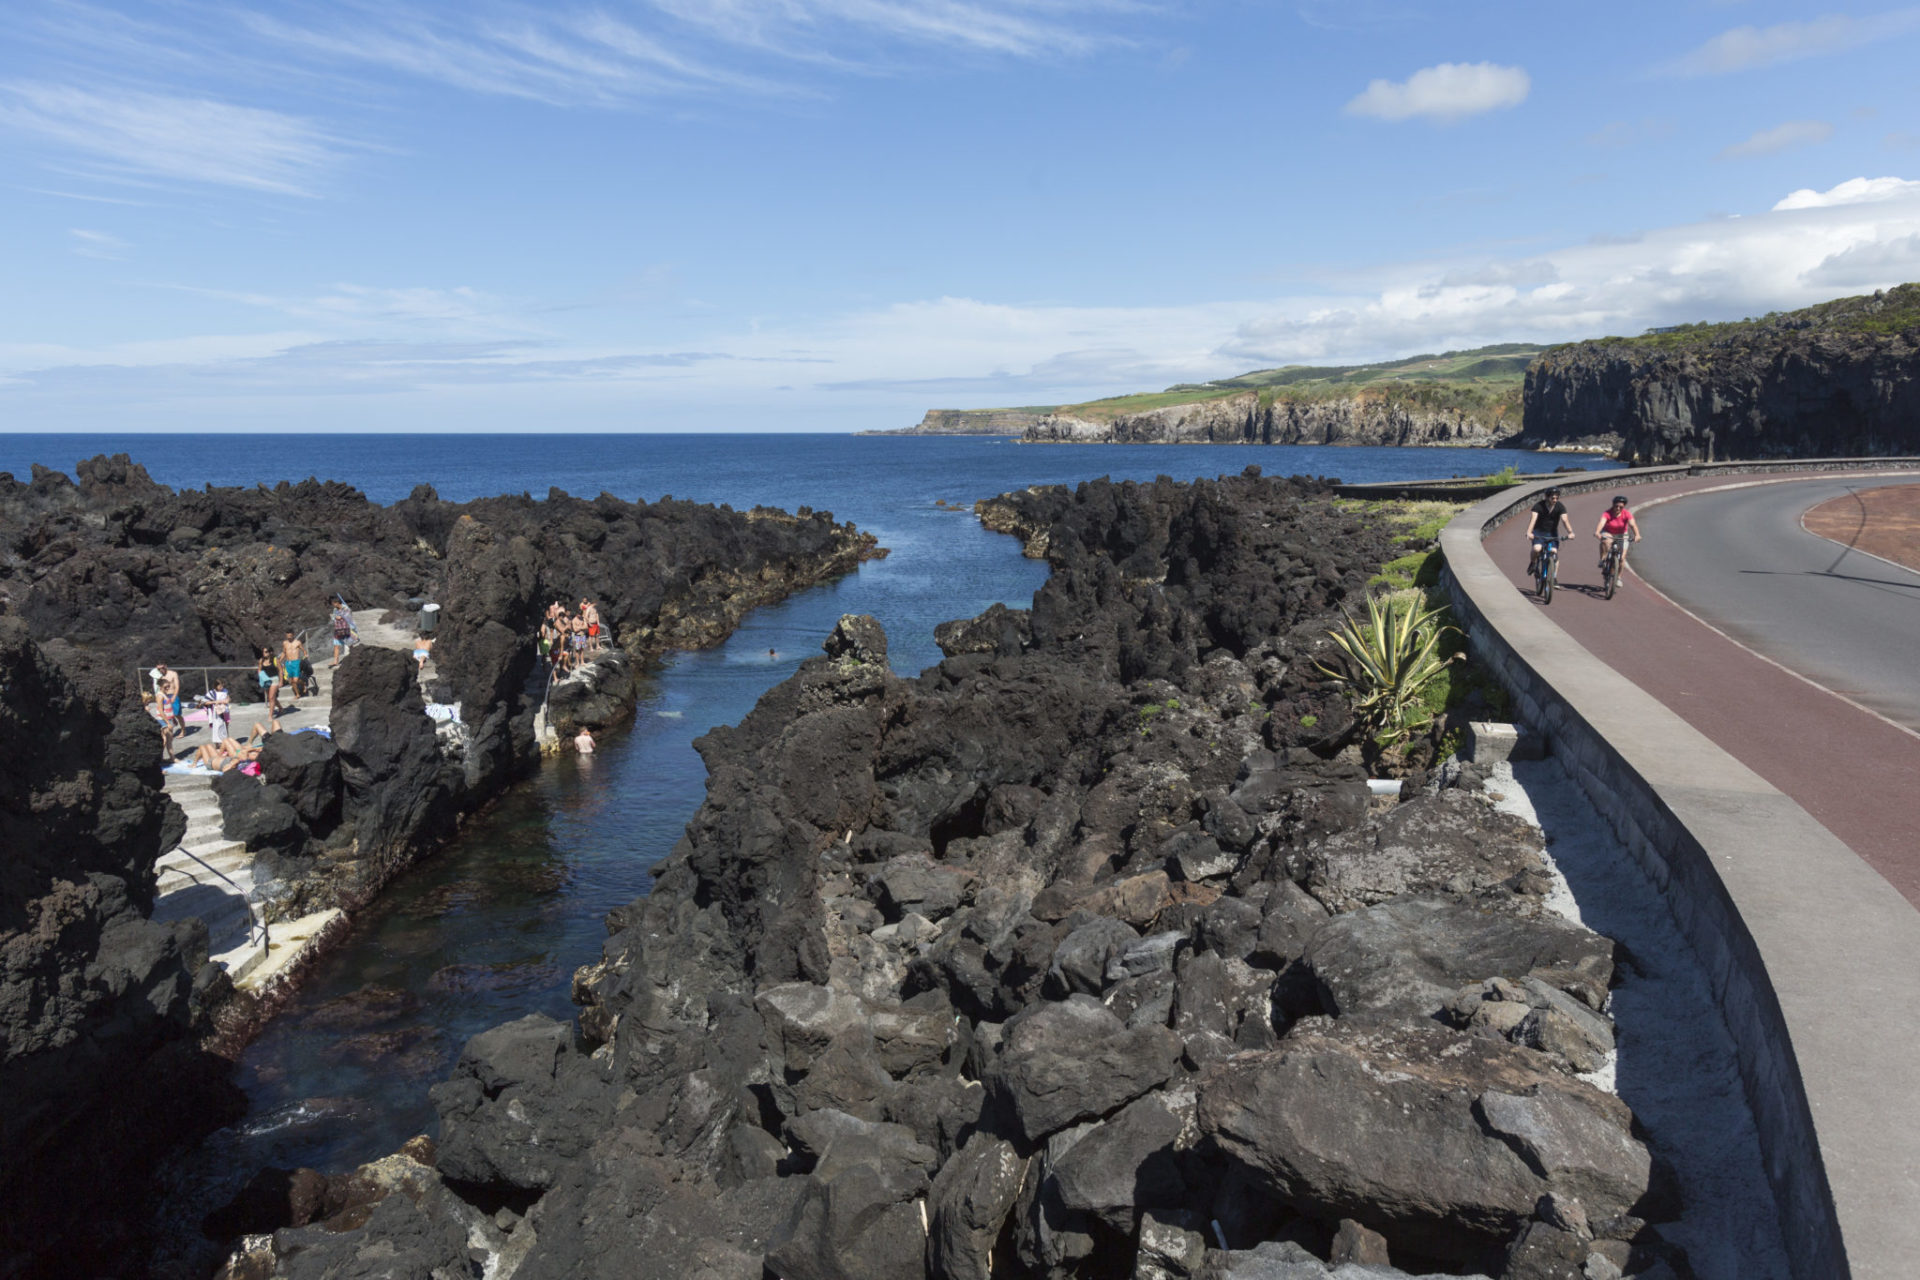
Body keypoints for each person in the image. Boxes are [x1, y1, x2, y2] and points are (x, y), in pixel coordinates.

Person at [1524, 486, 1574, 575]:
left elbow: (1565, 520)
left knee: (1554, 553)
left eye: (1557, 498)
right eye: (1552, 498)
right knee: (1537, 548)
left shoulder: (1560, 506)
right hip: (1539, 532)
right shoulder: (1538, 506)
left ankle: (1553, 578)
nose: (1555, 500)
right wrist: (1529, 532)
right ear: (1547, 497)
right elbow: (1533, 519)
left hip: (1552, 533)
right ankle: (1533, 563)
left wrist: (1570, 532)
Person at [1595, 494, 1643, 572]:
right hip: (1608, 532)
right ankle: (1603, 559)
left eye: (1621, 507)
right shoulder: (1607, 513)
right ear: (1613, 505)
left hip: (1622, 534)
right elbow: (1601, 522)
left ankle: (1618, 578)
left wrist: (1637, 535)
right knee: (1606, 542)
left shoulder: (1626, 514)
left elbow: (1633, 525)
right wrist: (1597, 532)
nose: (1618, 508)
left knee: (1622, 558)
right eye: (1616, 506)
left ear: (1624, 507)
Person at [329, 601, 356, 667]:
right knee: (336, 645)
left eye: (334, 603)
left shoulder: (346, 608)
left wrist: (340, 617)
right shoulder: (335, 609)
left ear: (338, 602)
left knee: (350, 645)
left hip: (346, 629)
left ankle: (353, 658)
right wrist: (335, 617)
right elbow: (334, 617)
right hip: (338, 629)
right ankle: (335, 661)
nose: (334, 605)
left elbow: (349, 617)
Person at [258, 646, 282, 713]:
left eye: (266, 652)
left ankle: (270, 715)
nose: (264, 653)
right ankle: (280, 707)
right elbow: (259, 670)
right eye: (263, 652)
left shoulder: (275, 660)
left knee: (271, 697)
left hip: (274, 679)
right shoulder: (261, 660)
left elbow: (280, 670)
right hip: (266, 680)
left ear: (270, 652)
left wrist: (281, 681)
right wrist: (261, 679)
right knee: (271, 697)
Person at [208, 680, 231, 748]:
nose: (222, 687)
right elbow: (205, 702)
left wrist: (226, 700)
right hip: (216, 712)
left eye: (222, 685)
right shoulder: (212, 693)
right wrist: (215, 702)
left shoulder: (225, 691)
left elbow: (228, 698)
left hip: (225, 710)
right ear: (216, 686)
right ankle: (217, 744)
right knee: (217, 727)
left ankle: (225, 741)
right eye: (220, 686)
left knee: (225, 725)